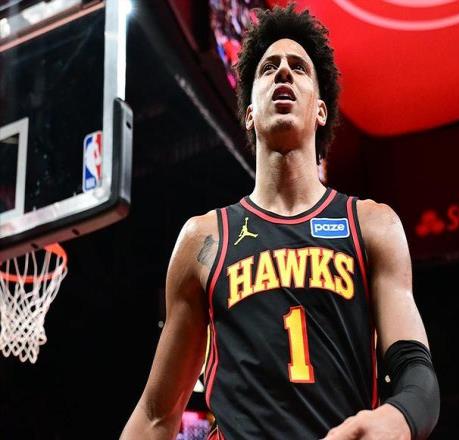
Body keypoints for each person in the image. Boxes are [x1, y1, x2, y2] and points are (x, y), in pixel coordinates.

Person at [121, 4, 440, 440]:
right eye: (269, 68)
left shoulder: (370, 225)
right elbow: (156, 415)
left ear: (321, 110)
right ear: (250, 113)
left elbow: (417, 374)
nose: (283, 72)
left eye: (299, 67)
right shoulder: (204, 239)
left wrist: (397, 417)